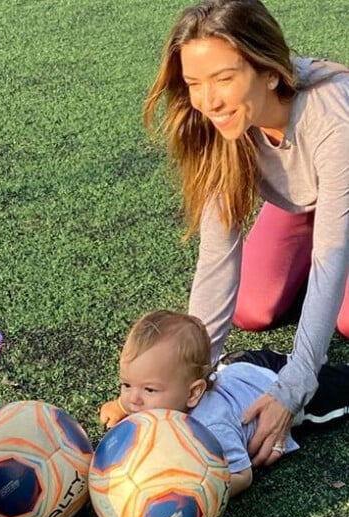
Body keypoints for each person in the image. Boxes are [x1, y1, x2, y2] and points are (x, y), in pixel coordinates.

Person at [142, 0, 349, 467]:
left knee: (345, 320)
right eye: (195, 83)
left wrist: (293, 387)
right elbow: (217, 256)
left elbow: (331, 255)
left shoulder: (334, 116)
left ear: (269, 72)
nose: (209, 100)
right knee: (252, 310)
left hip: (343, 197)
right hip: (306, 204)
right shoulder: (217, 124)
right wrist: (191, 379)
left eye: (224, 78)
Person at [99, 310, 349, 497]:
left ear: (193, 394)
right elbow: (133, 402)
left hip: (272, 384)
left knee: (339, 387)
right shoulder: (149, 405)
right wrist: (121, 407)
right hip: (240, 366)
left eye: (149, 389)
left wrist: (202, 492)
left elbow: (243, 475)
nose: (133, 399)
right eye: (126, 385)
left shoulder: (212, 427)